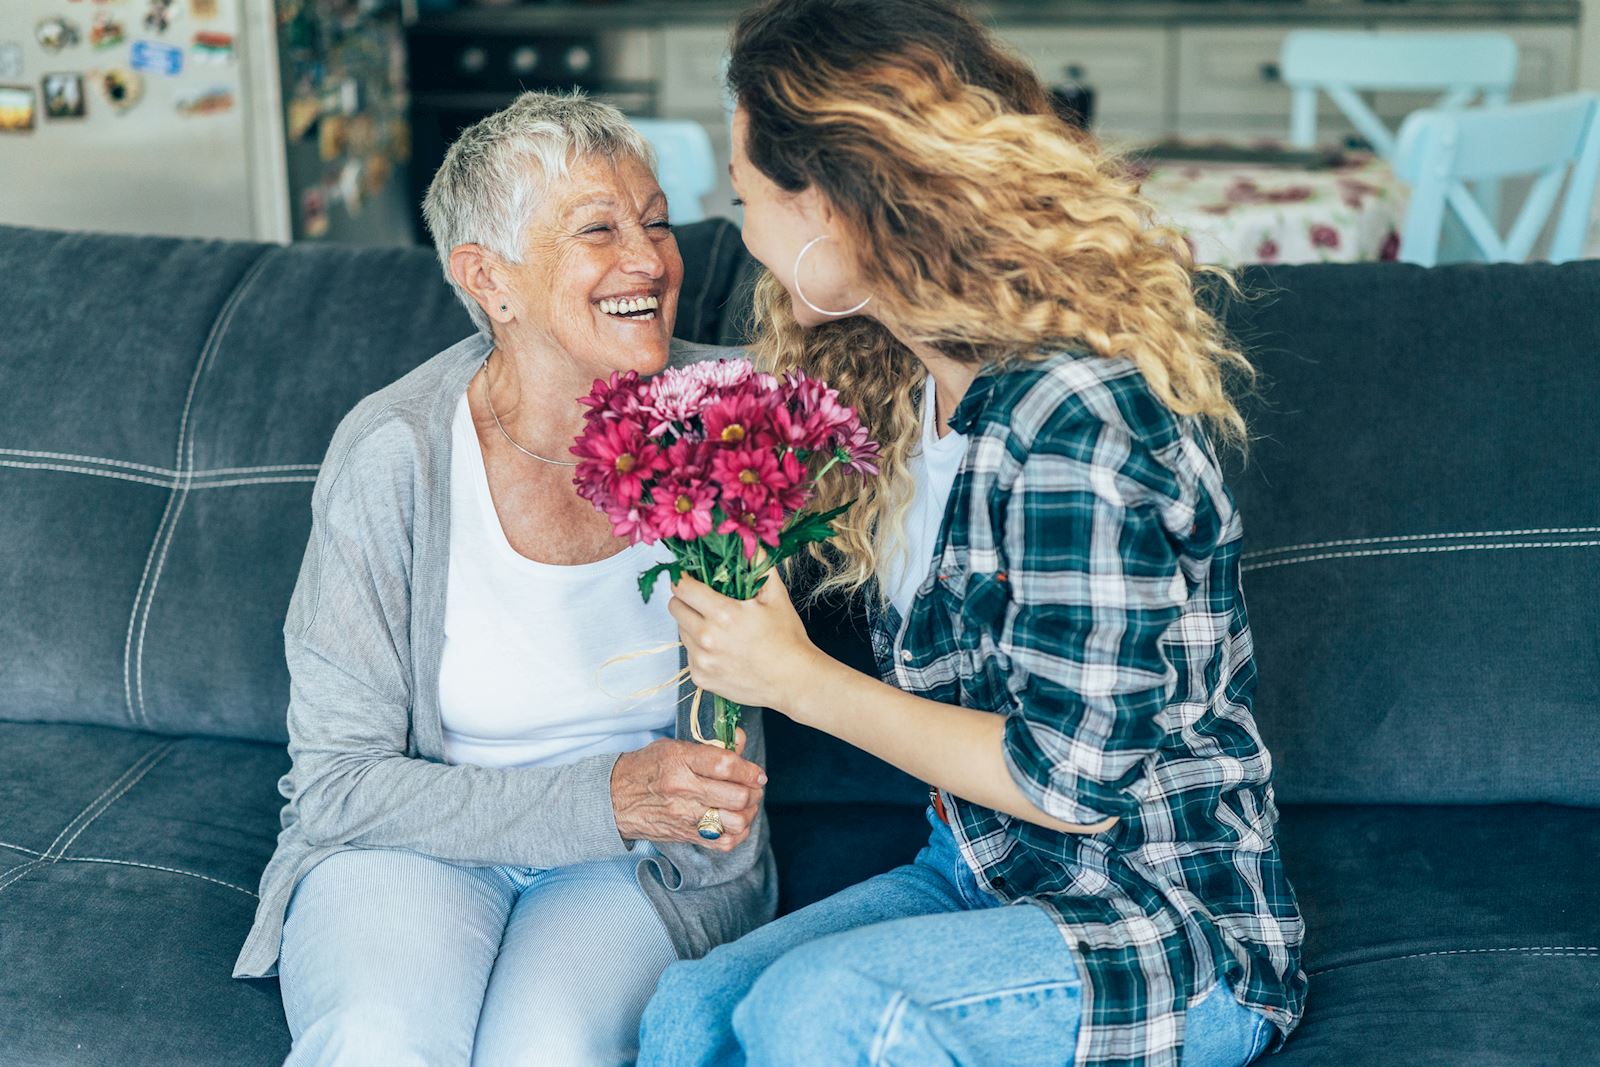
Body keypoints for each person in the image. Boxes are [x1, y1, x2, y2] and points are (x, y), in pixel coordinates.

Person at [638, 2, 1306, 1065]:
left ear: (838, 210)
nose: (742, 231)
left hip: (1159, 922)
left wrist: (793, 676)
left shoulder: (1072, 415)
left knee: (822, 1009)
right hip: (978, 868)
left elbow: (1072, 781)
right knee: (687, 1016)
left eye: (747, 197)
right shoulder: (903, 384)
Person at [231, 92, 776, 1066]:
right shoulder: (394, 452)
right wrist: (603, 794)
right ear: (490, 279)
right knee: (378, 1041)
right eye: (597, 231)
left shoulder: (733, 419)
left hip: (644, 857)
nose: (650, 260)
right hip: (419, 840)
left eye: (656, 221)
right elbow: (337, 787)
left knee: (548, 1051)